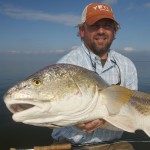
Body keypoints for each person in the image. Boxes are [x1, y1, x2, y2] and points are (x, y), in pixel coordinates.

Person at [51, 2, 138, 149]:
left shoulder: (127, 65)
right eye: (94, 26)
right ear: (82, 31)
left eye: (107, 26)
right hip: (70, 145)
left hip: (113, 145)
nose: (101, 31)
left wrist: (105, 120)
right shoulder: (65, 66)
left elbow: (132, 111)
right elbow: (49, 114)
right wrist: (73, 121)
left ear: (115, 32)